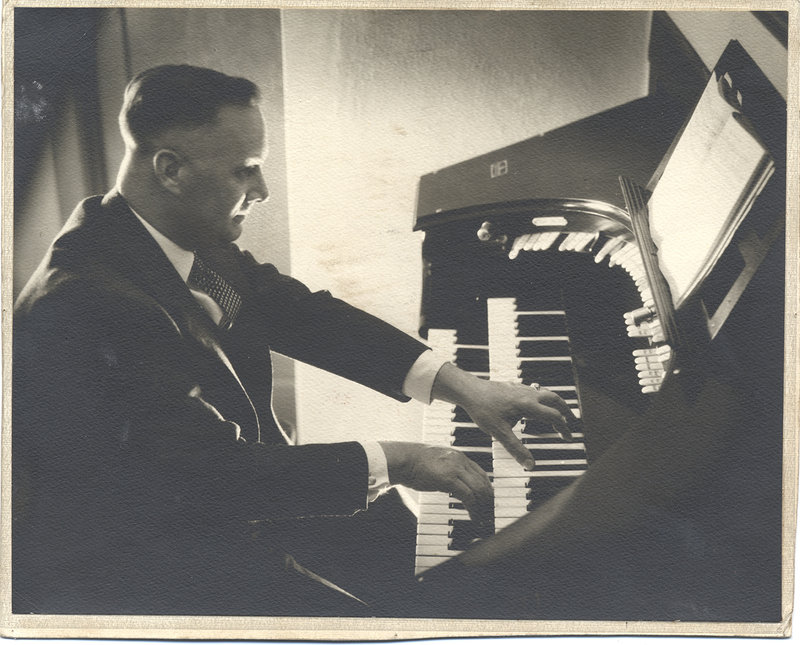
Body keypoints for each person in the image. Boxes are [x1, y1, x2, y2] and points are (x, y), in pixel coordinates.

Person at [12, 65, 575, 616]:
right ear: (170, 170)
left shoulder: (173, 233)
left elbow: (296, 312)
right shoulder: (89, 301)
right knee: (409, 611)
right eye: (246, 170)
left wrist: (462, 386)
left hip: (230, 493)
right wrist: (397, 460)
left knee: (439, 561)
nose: (261, 190)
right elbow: (203, 479)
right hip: (154, 565)